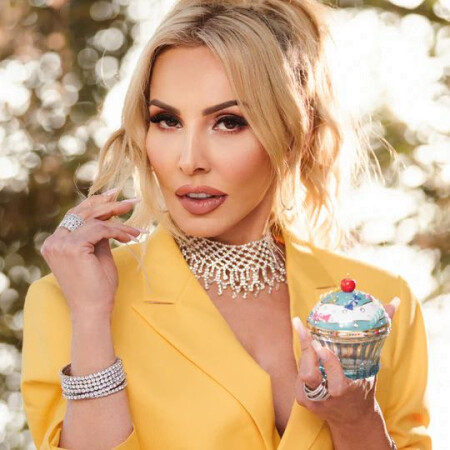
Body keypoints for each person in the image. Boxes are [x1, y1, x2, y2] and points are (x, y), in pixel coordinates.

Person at [21, 1, 431, 449]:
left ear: (295, 131)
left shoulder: (380, 305)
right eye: (167, 120)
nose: (189, 160)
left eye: (229, 122)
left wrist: (357, 422)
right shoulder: (67, 301)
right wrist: (92, 319)